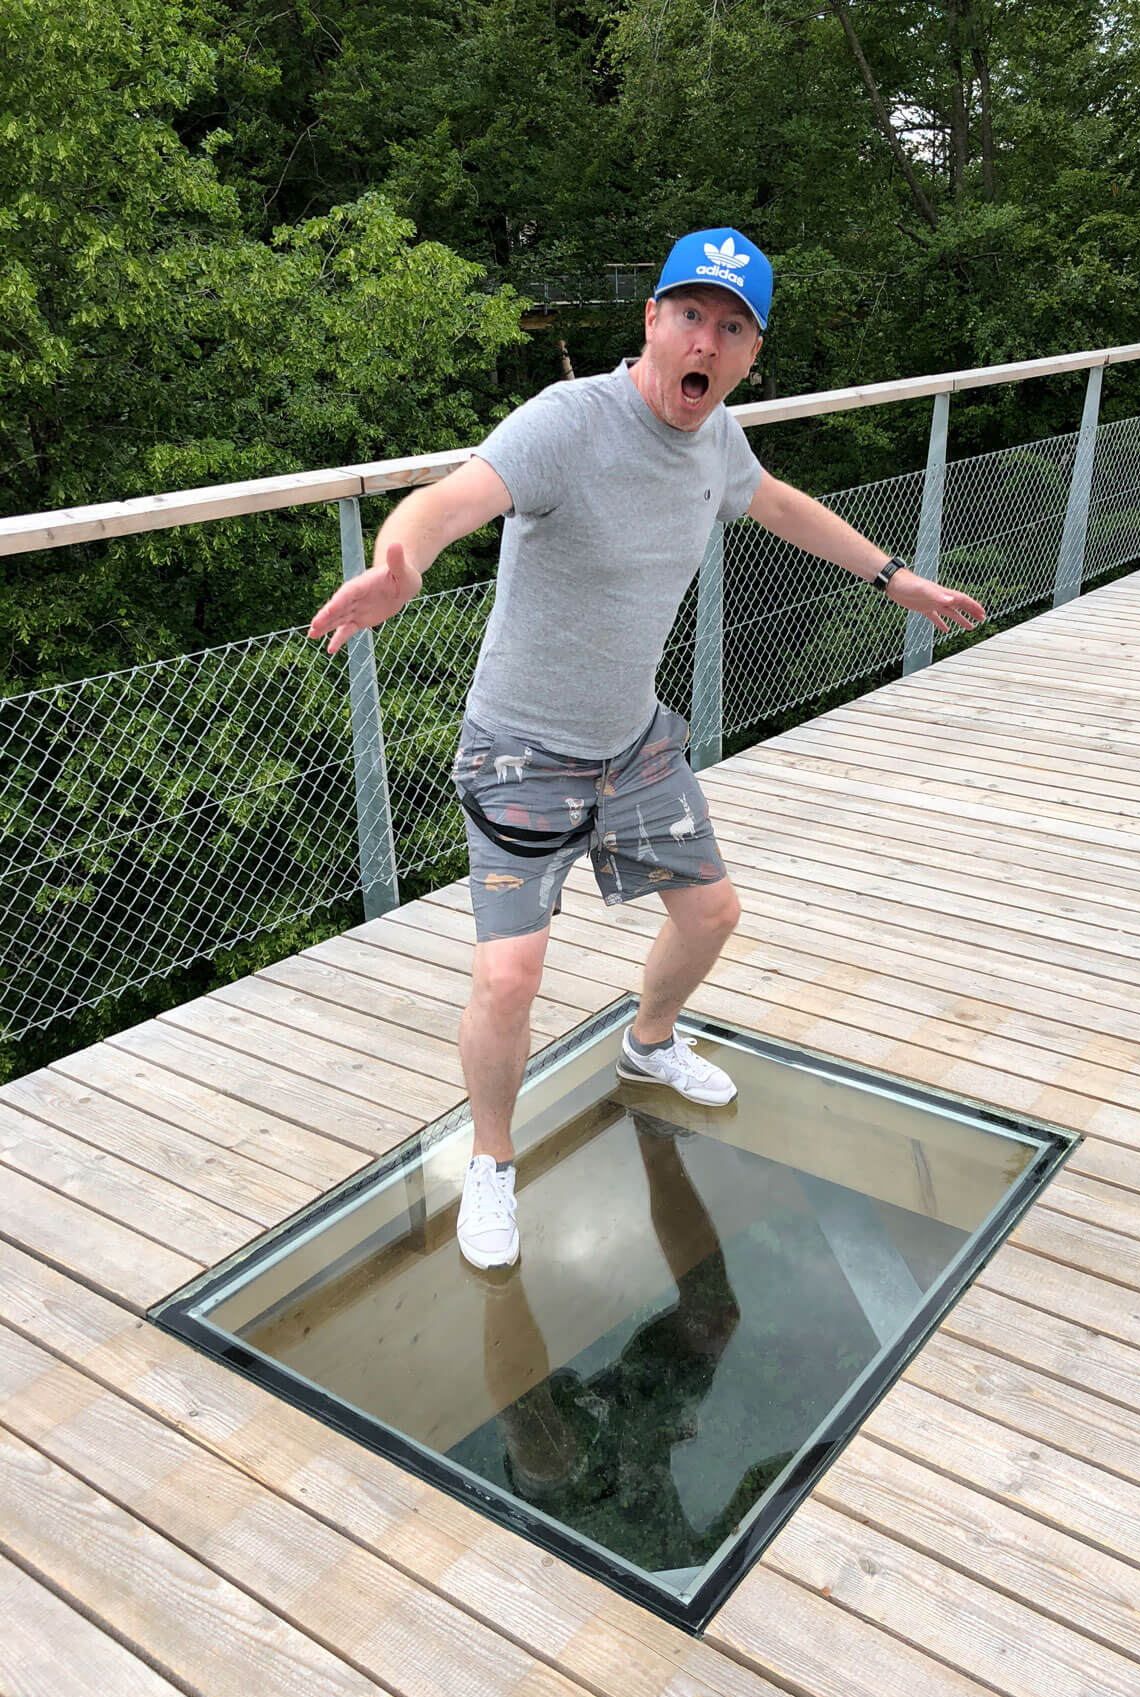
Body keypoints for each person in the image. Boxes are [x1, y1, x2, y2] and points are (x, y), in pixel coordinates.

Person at [308, 227, 985, 1271]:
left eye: (731, 328)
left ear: (749, 354)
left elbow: (774, 503)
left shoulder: (716, 438)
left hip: (631, 742)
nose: (705, 341)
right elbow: (452, 497)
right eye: (690, 316)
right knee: (509, 978)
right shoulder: (569, 425)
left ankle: (649, 1041)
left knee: (712, 913)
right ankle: (492, 1162)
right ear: (651, 323)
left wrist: (895, 577)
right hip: (520, 752)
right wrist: (401, 560)